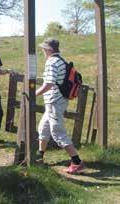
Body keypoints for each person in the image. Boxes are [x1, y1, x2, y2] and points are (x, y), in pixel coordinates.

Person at [35, 38, 85, 174]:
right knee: (43, 127)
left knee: (57, 131)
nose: (42, 51)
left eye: (44, 49)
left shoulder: (52, 62)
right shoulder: (61, 60)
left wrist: (34, 94)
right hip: (58, 100)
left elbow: (49, 84)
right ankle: (39, 156)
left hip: (54, 101)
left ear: (49, 50)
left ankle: (77, 161)